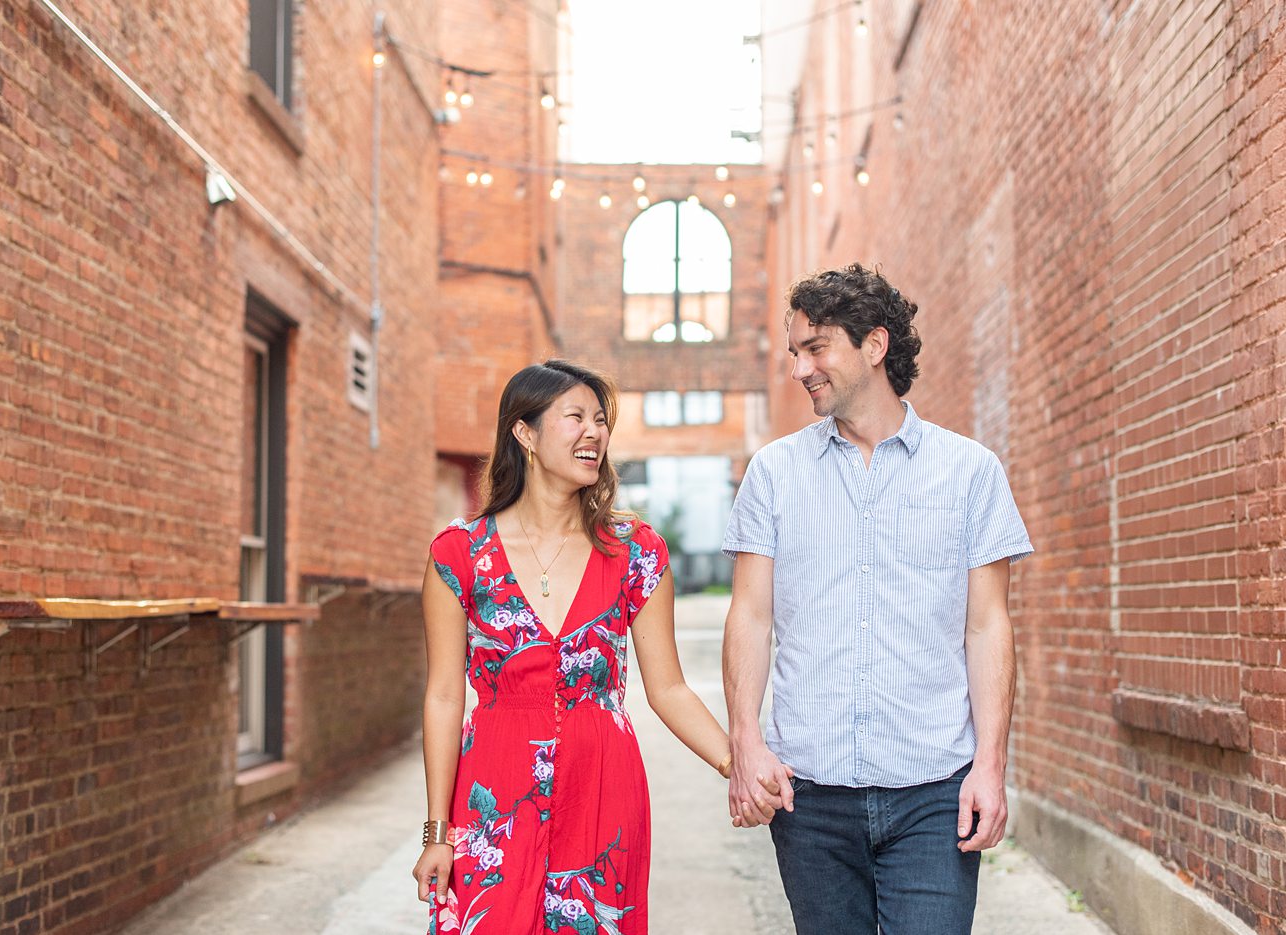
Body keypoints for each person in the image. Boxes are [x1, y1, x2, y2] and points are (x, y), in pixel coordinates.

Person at [721, 264, 1034, 935]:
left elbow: (987, 627)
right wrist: (746, 740)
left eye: (817, 347)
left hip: (934, 792)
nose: (801, 367)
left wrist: (991, 765)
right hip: (810, 798)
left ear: (874, 344)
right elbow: (749, 615)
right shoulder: (774, 474)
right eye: (794, 351)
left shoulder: (971, 473)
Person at [412, 359, 732, 934]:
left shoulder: (636, 552)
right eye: (575, 417)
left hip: (603, 786)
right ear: (525, 432)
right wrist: (439, 834)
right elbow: (441, 697)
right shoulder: (459, 555)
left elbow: (668, 687)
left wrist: (736, 763)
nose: (595, 432)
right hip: (494, 789)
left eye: (602, 420)